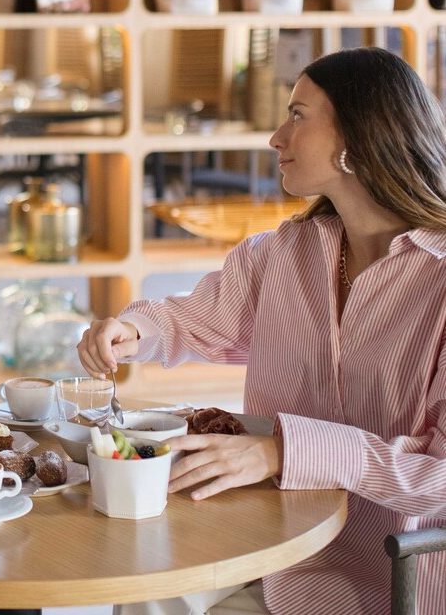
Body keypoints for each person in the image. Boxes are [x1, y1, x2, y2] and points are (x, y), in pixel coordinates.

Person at [78, 47, 446, 615]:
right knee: (146, 581)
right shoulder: (282, 252)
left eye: (297, 116)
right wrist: (132, 329)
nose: (277, 137)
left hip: (392, 578)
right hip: (269, 546)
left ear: (359, 137)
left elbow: (440, 476)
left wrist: (283, 452)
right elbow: (191, 319)